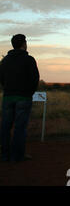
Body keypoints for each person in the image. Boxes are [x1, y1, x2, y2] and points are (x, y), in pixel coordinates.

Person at [0, 34, 40, 162]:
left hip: (7, 98)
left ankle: (5, 155)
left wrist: (6, 88)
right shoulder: (29, 60)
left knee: (5, 127)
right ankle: (17, 156)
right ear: (24, 44)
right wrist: (29, 93)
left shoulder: (4, 60)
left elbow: (1, 78)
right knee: (20, 128)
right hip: (23, 98)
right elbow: (35, 79)